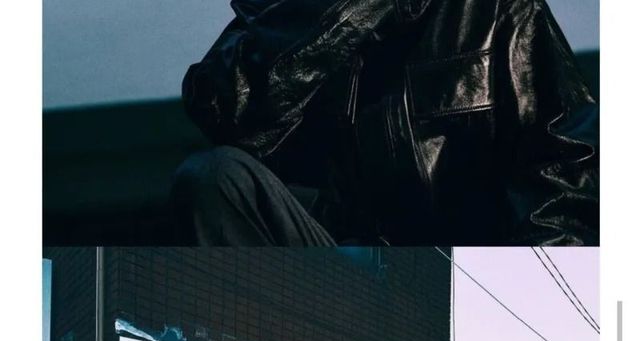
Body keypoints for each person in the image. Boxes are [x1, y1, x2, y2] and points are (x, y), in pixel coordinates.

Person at [175, 0, 598, 246]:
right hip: (338, 272)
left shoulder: (498, 9)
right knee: (214, 176)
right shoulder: (285, 16)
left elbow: (565, 174)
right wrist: (346, 15)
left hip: (455, 286)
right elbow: (227, 119)